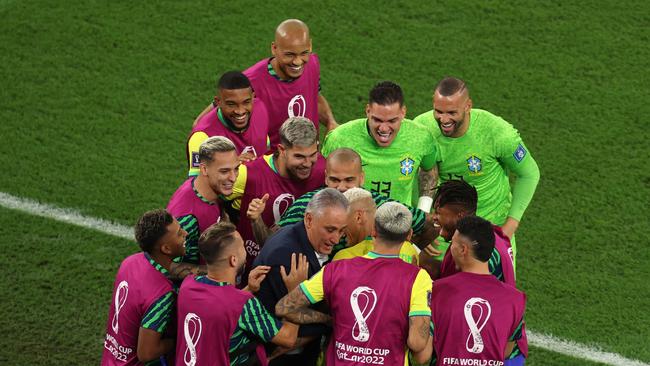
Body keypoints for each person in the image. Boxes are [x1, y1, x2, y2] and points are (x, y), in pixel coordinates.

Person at [275, 202, 433, 366]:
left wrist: (326, 319)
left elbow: (284, 307)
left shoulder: (336, 269)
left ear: (373, 230)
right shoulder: (418, 278)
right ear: (409, 236)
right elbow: (418, 343)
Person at [413, 77, 540, 266]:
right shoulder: (421, 128)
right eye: (438, 111)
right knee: (429, 293)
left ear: (468, 106)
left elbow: (529, 173)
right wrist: (420, 222)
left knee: (493, 295)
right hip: (439, 240)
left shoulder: (496, 133)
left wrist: (509, 228)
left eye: (451, 112)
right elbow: (414, 177)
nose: (444, 119)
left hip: (489, 240)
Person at [193, 19, 337, 147]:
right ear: (274, 48)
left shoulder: (311, 64)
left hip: (309, 160)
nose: (298, 61)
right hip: (275, 170)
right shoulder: (250, 83)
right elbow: (201, 124)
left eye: (303, 53)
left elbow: (314, 97)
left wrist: (330, 121)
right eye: (289, 55)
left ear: (310, 46)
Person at [175, 221, 301, 366]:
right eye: (242, 246)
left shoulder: (188, 286)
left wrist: (249, 288)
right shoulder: (244, 304)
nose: (245, 250)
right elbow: (288, 338)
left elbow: (218, 306)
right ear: (233, 260)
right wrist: (295, 293)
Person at [253, 188, 349, 365]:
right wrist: (331, 320)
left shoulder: (297, 233)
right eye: (330, 230)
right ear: (309, 219)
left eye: (342, 231)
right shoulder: (287, 259)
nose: (336, 239)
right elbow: (293, 321)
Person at [277, 147, 435, 251]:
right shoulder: (308, 203)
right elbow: (275, 237)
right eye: (335, 180)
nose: (341, 187)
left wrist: (410, 252)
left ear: (361, 178)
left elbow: (430, 224)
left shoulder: (379, 204)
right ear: (325, 178)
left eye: (349, 180)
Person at [228, 116, 326, 279]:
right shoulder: (248, 174)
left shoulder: (324, 171)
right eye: (299, 156)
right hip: (253, 271)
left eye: (312, 155)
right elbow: (215, 196)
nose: (307, 163)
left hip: (300, 274)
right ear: (281, 149)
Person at [322, 81, 440, 209]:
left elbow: (429, 170)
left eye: (392, 121)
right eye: (377, 120)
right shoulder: (339, 138)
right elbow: (323, 177)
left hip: (399, 223)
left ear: (403, 112)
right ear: (368, 111)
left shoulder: (421, 137)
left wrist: (424, 209)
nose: (384, 128)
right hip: (352, 224)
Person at [430, 216, 526, 366]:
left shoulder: (437, 290)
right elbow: (506, 350)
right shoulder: (516, 299)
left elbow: (423, 352)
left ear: (463, 249)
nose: (451, 248)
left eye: (452, 244)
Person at [101, 209, 187, 365]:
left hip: (110, 359)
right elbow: (147, 353)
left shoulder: (130, 261)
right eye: (179, 233)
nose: (186, 234)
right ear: (166, 249)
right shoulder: (163, 294)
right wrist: (177, 339)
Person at [167, 136, 239, 265]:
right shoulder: (186, 219)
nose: (233, 178)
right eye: (224, 171)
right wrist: (218, 271)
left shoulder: (214, 189)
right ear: (204, 169)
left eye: (236, 169)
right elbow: (170, 266)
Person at [187, 71, 270, 176]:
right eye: (231, 104)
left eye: (246, 102)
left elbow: (265, 148)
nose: (240, 111)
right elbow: (197, 185)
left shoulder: (260, 110)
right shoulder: (203, 137)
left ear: (253, 97)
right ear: (218, 102)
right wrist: (231, 167)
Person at [333, 188, 419, 264]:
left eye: (343, 223)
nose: (341, 233)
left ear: (358, 217)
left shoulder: (343, 259)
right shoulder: (410, 251)